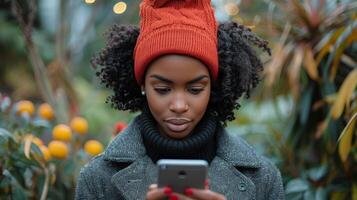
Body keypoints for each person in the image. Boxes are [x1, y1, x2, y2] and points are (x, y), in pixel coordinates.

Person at [75, 0, 284, 199]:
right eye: (163, 89)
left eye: (194, 89)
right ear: (142, 85)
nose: (178, 106)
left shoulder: (263, 179)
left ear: (213, 86)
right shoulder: (97, 180)